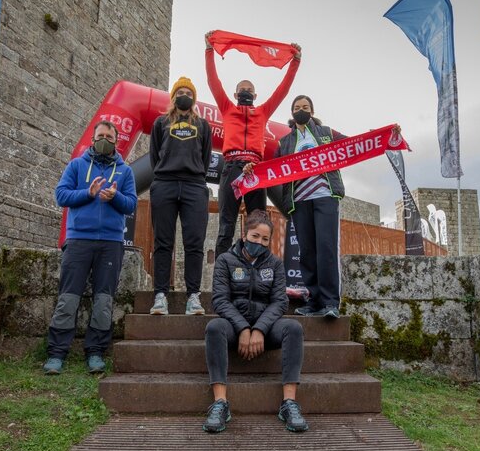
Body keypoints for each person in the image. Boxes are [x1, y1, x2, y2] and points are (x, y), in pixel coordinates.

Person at [43, 120, 137, 375]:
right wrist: (89, 193)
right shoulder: (76, 165)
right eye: (100, 135)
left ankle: (95, 352)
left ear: (116, 141)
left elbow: (130, 204)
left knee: (104, 300)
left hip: (111, 242)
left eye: (109, 136)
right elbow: (61, 196)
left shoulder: (125, 171)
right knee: (68, 298)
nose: (104, 139)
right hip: (78, 240)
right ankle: (56, 353)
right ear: (92, 138)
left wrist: (114, 196)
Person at [203, 209, 308, 433]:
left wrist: (259, 329)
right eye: (255, 237)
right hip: (233, 327)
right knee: (213, 327)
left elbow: (280, 302)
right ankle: (220, 403)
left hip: (266, 328)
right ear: (245, 235)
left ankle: (289, 404)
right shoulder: (225, 260)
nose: (259, 242)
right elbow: (220, 300)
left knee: (294, 328)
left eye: (265, 239)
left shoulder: (276, 264)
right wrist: (242, 328)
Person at [205, 30, 301, 254]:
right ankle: (222, 278)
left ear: (255, 96)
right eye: (242, 90)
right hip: (231, 167)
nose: (245, 92)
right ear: (235, 94)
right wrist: (209, 50)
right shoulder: (227, 108)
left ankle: (258, 274)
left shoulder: (263, 112)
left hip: (257, 170)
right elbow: (213, 81)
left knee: (259, 225)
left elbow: (283, 90)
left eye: (249, 90)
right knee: (226, 225)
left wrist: (295, 62)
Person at [276, 95, 347, 319]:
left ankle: (330, 302)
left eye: (305, 107)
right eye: (297, 108)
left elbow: (353, 145)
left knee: (326, 248)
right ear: (292, 113)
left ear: (312, 111)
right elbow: (273, 168)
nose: (301, 110)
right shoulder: (286, 142)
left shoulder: (326, 133)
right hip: (300, 199)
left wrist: (382, 136)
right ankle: (313, 300)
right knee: (307, 251)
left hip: (325, 195)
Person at [148, 77, 213, 316]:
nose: (184, 95)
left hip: (194, 185)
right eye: (180, 91)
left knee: (194, 243)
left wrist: (193, 174)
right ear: (173, 97)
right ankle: (160, 295)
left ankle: (193, 297)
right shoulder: (160, 123)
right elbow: (155, 156)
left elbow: (205, 158)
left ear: (193, 98)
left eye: (188, 92)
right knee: (163, 242)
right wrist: (164, 175)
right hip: (164, 183)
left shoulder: (203, 125)